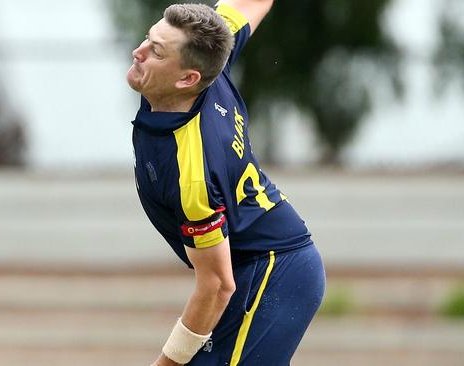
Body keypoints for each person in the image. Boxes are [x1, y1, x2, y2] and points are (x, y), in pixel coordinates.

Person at [126, 1, 326, 365]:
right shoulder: (213, 49)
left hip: (272, 275)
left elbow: (216, 285)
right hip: (258, 268)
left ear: (187, 78)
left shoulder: (193, 173)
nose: (137, 53)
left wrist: (165, 364)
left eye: (155, 51)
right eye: (147, 38)